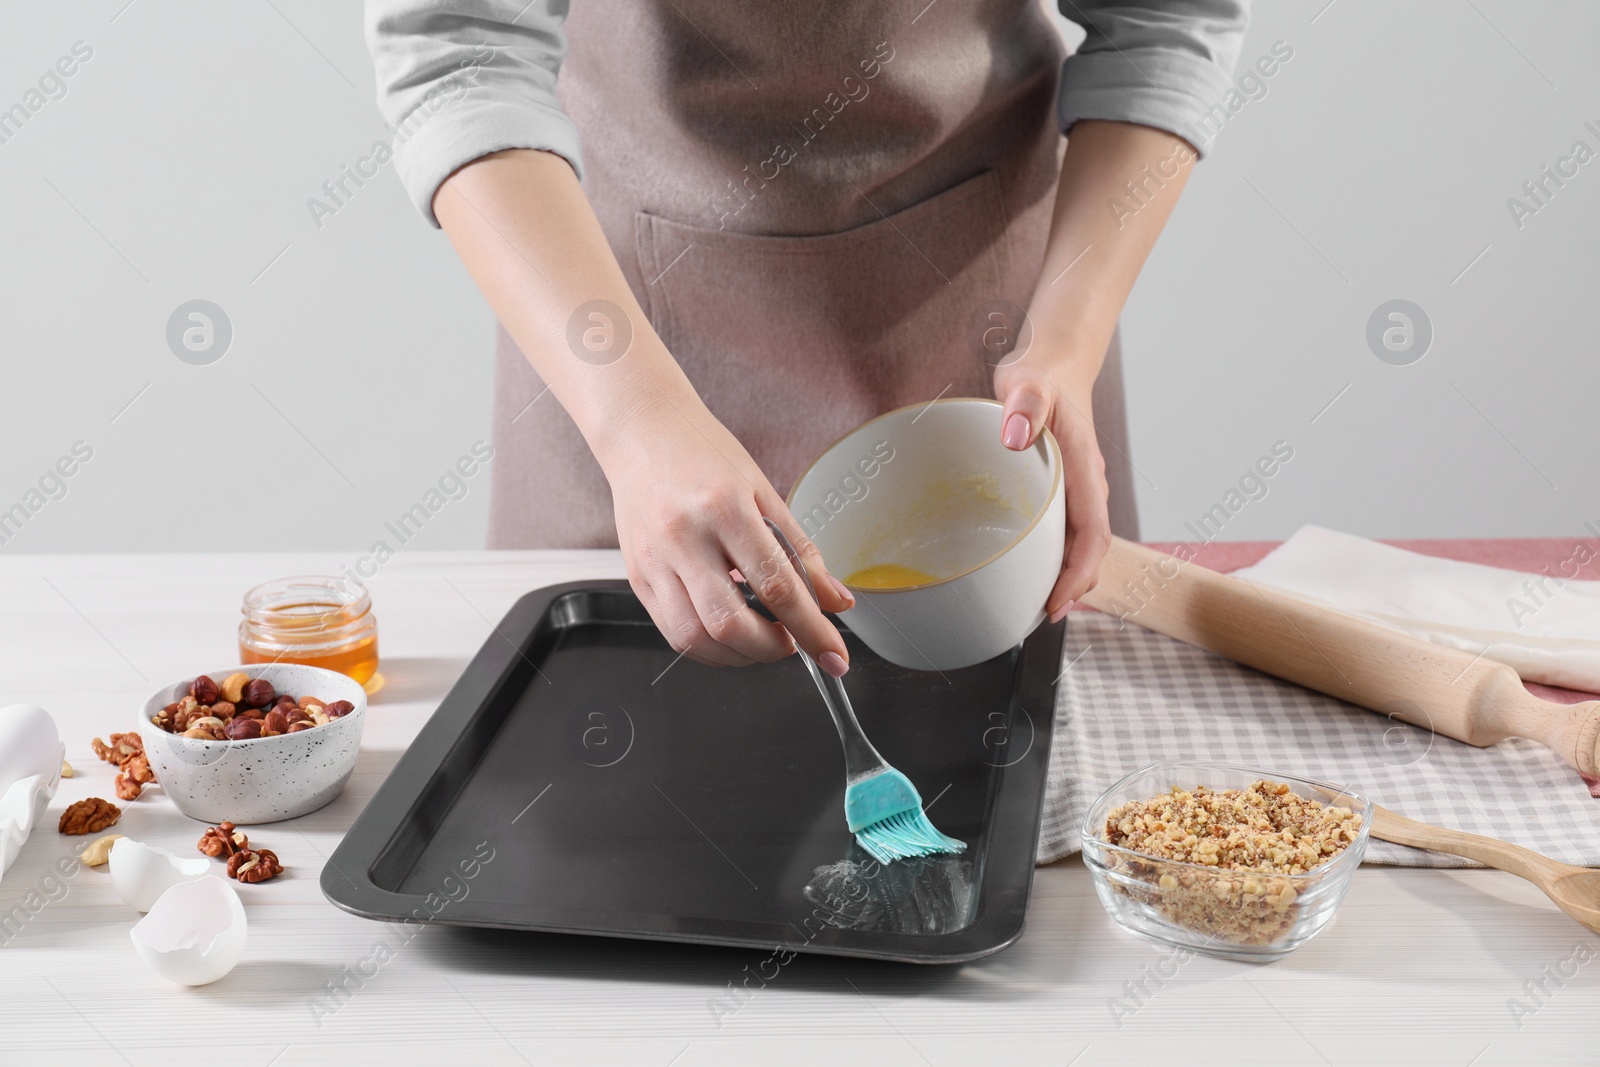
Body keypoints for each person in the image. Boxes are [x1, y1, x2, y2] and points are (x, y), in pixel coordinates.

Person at [365, 0, 1250, 677]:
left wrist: (1067, 336)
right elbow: (461, 57)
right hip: (613, 327)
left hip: (998, 310)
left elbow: (1166, 21)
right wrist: (636, 422)